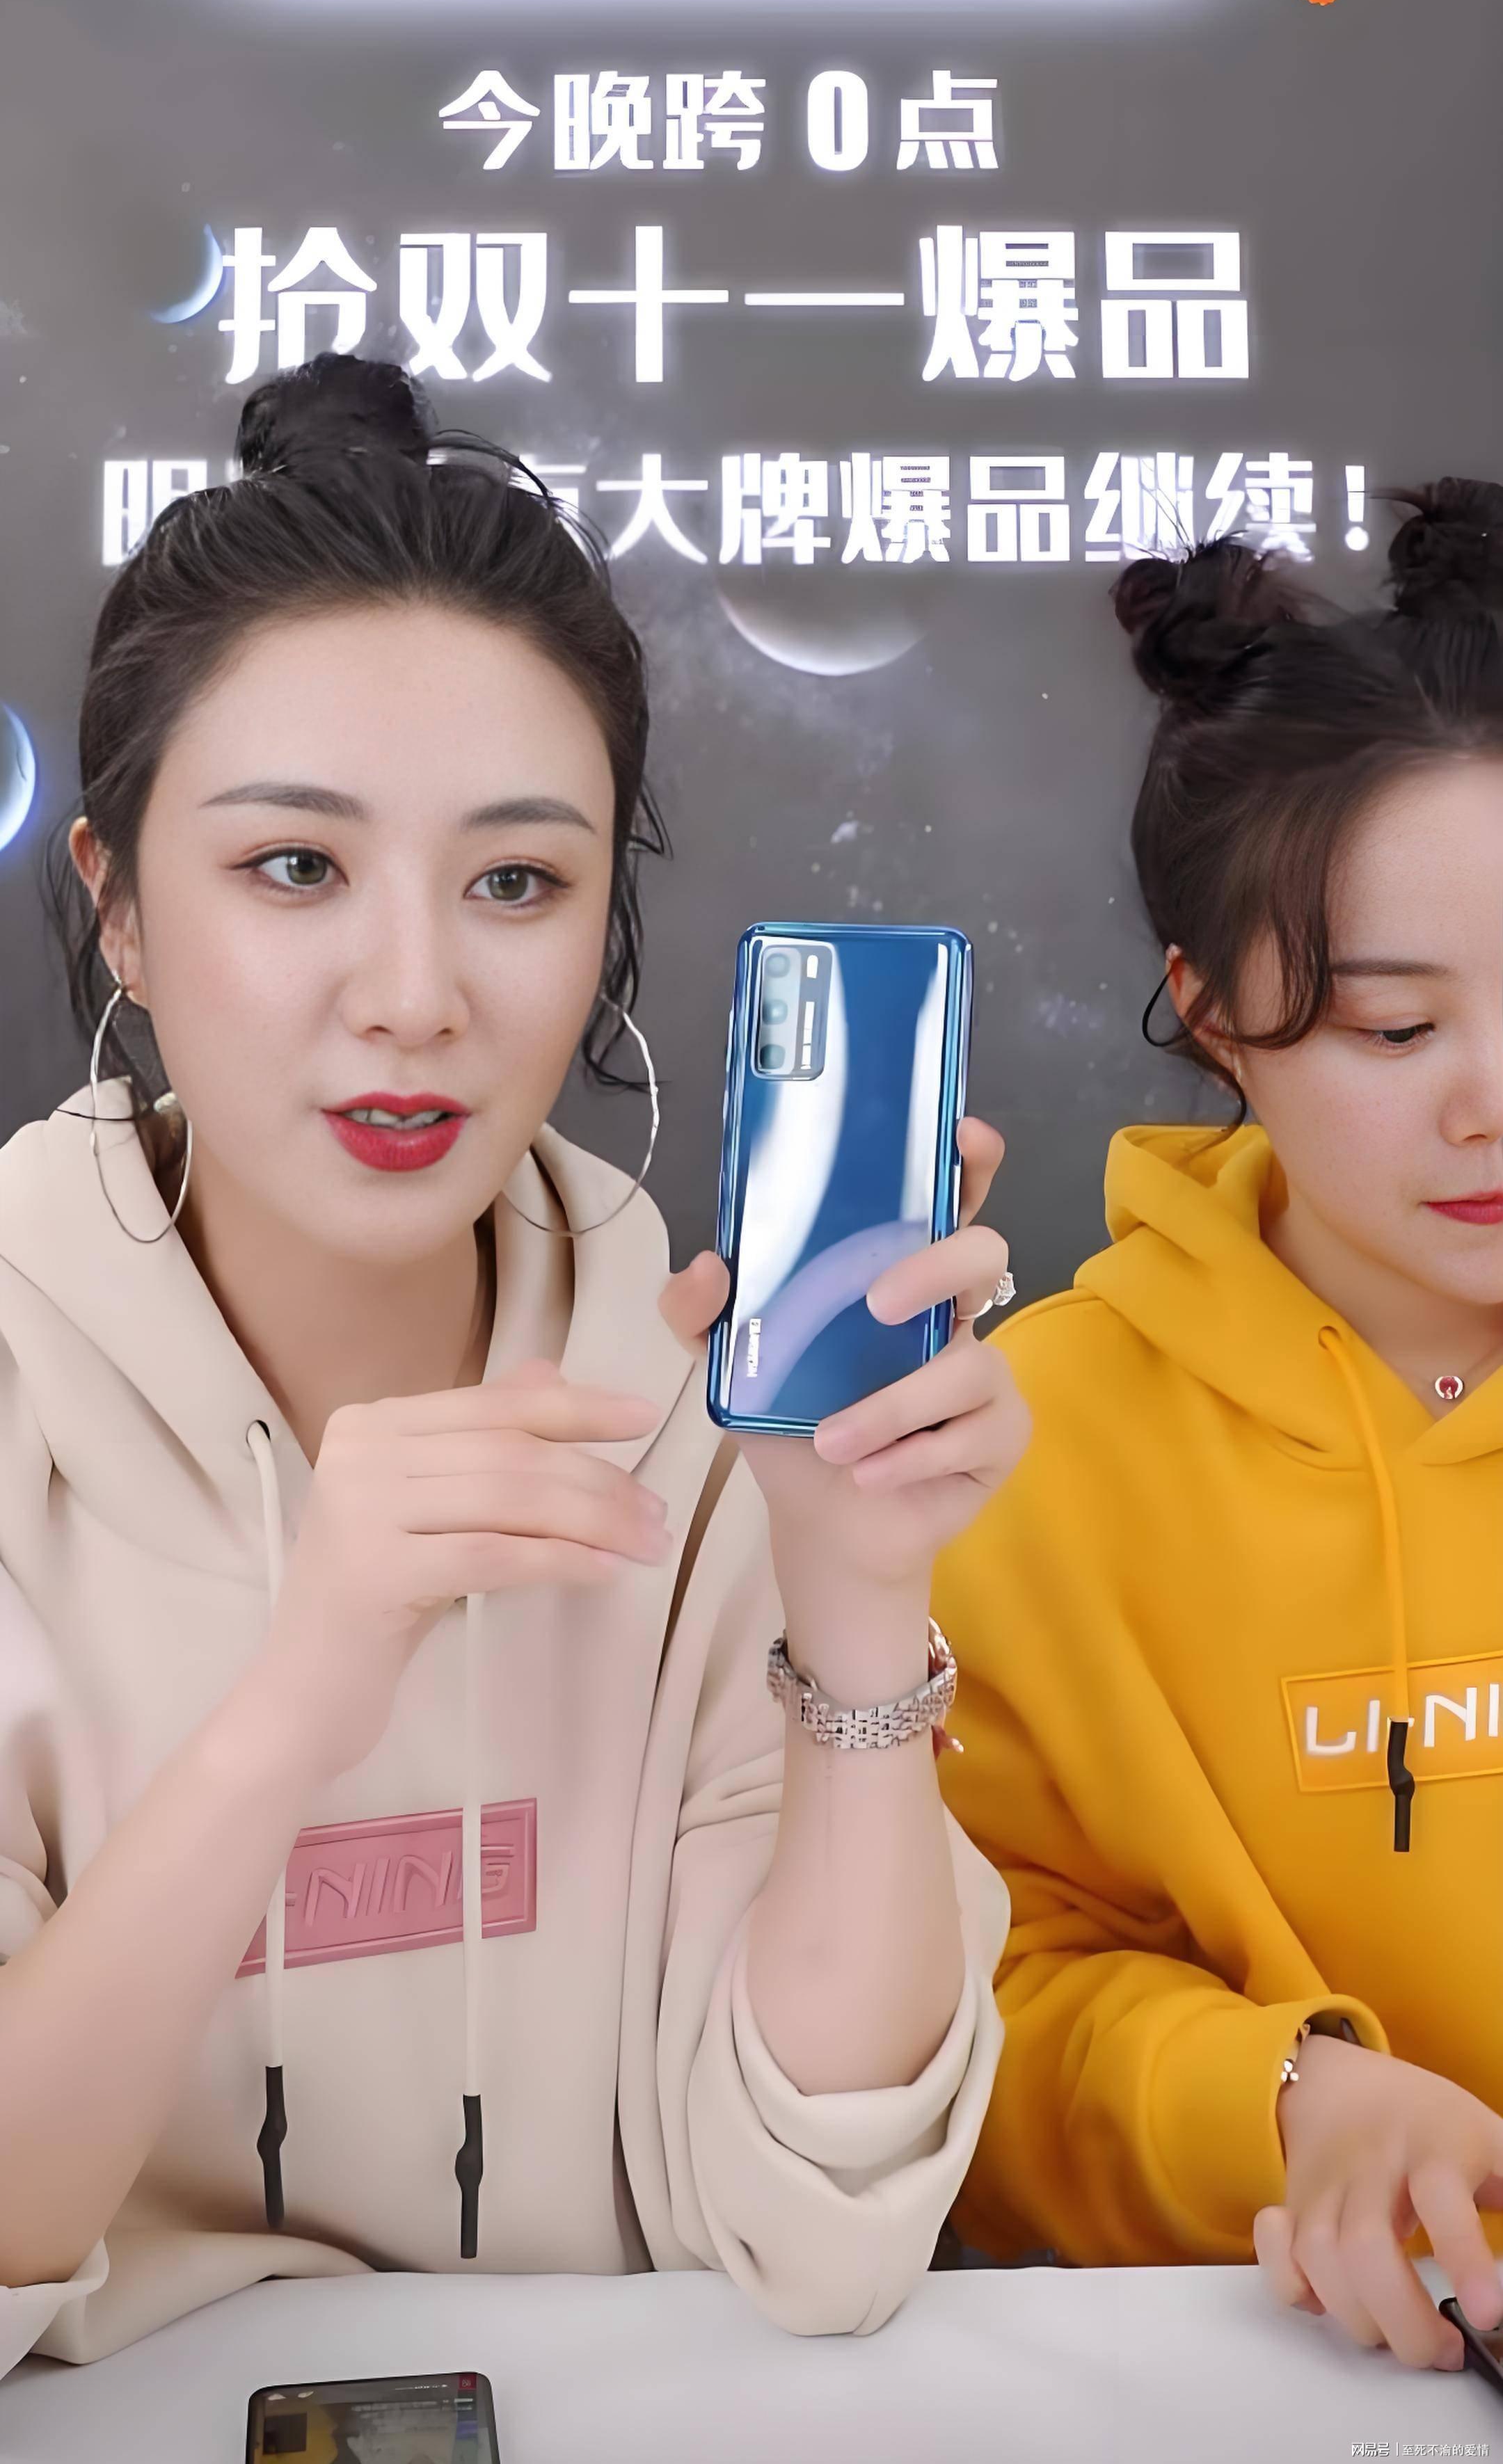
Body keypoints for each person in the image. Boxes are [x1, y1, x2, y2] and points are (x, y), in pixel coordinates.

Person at [0, 352, 1027, 2374]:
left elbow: (822, 2233)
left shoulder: (706, 1412)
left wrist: (854, 1599)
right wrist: (299, 1705)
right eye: (296, 867)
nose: (415, 995)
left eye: (515, 884)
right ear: (117, 905)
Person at [936, 482, 1503, 2376]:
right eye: (1395, 1031)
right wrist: (1281, 2098)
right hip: (1280, 2370)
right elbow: (983, 2003)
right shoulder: (1031, 1446)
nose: (1491, 1102)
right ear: (1212, 1016)